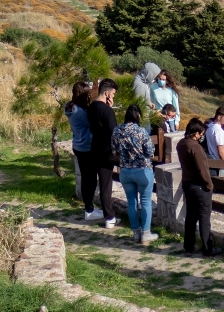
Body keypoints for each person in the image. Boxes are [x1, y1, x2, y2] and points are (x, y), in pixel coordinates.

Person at [113, 103, 157, 244]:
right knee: (145, 202)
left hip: (125, 170)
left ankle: (136, 232)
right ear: (138, 115)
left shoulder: (117, 131)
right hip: (142, 170)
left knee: (131, 202)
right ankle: (146, 233)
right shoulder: (141, 131)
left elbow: (114, 150)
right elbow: (150, 152)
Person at [176, 117, 214, 255]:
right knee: (204, 216)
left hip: (187, 183)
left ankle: (189, 247)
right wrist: (209, 185)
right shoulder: (195, 147)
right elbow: (202, 169)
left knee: (191, 216)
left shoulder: (181, 144)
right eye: (201, 133)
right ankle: (207, 247)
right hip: (199, 185)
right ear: (196, 133)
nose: (202, 136)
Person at [86, 78, 120, 229]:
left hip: (95, 148)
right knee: (106, 185)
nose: (113, 97)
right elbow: (114, 132)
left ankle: (104, 213)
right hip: (107, 150)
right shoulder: (107, 111)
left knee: (100, 182)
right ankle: (109, 217)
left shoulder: (91, 107)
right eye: (113, 94)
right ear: (106, 93)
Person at [66, 80, 99, 221]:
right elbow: (93, 123)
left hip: (78, 145)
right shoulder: (80, 112)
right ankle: (89, 209)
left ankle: (89, 207)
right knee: (90, 180)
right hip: (86, 147)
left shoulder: (69, 107)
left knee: (87, 178)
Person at [205, 105, 224, 175]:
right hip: (220, 163)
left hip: (213, 161)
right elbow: (221, 152)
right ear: (219, 117)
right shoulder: (219, 131)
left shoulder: (210, 126)